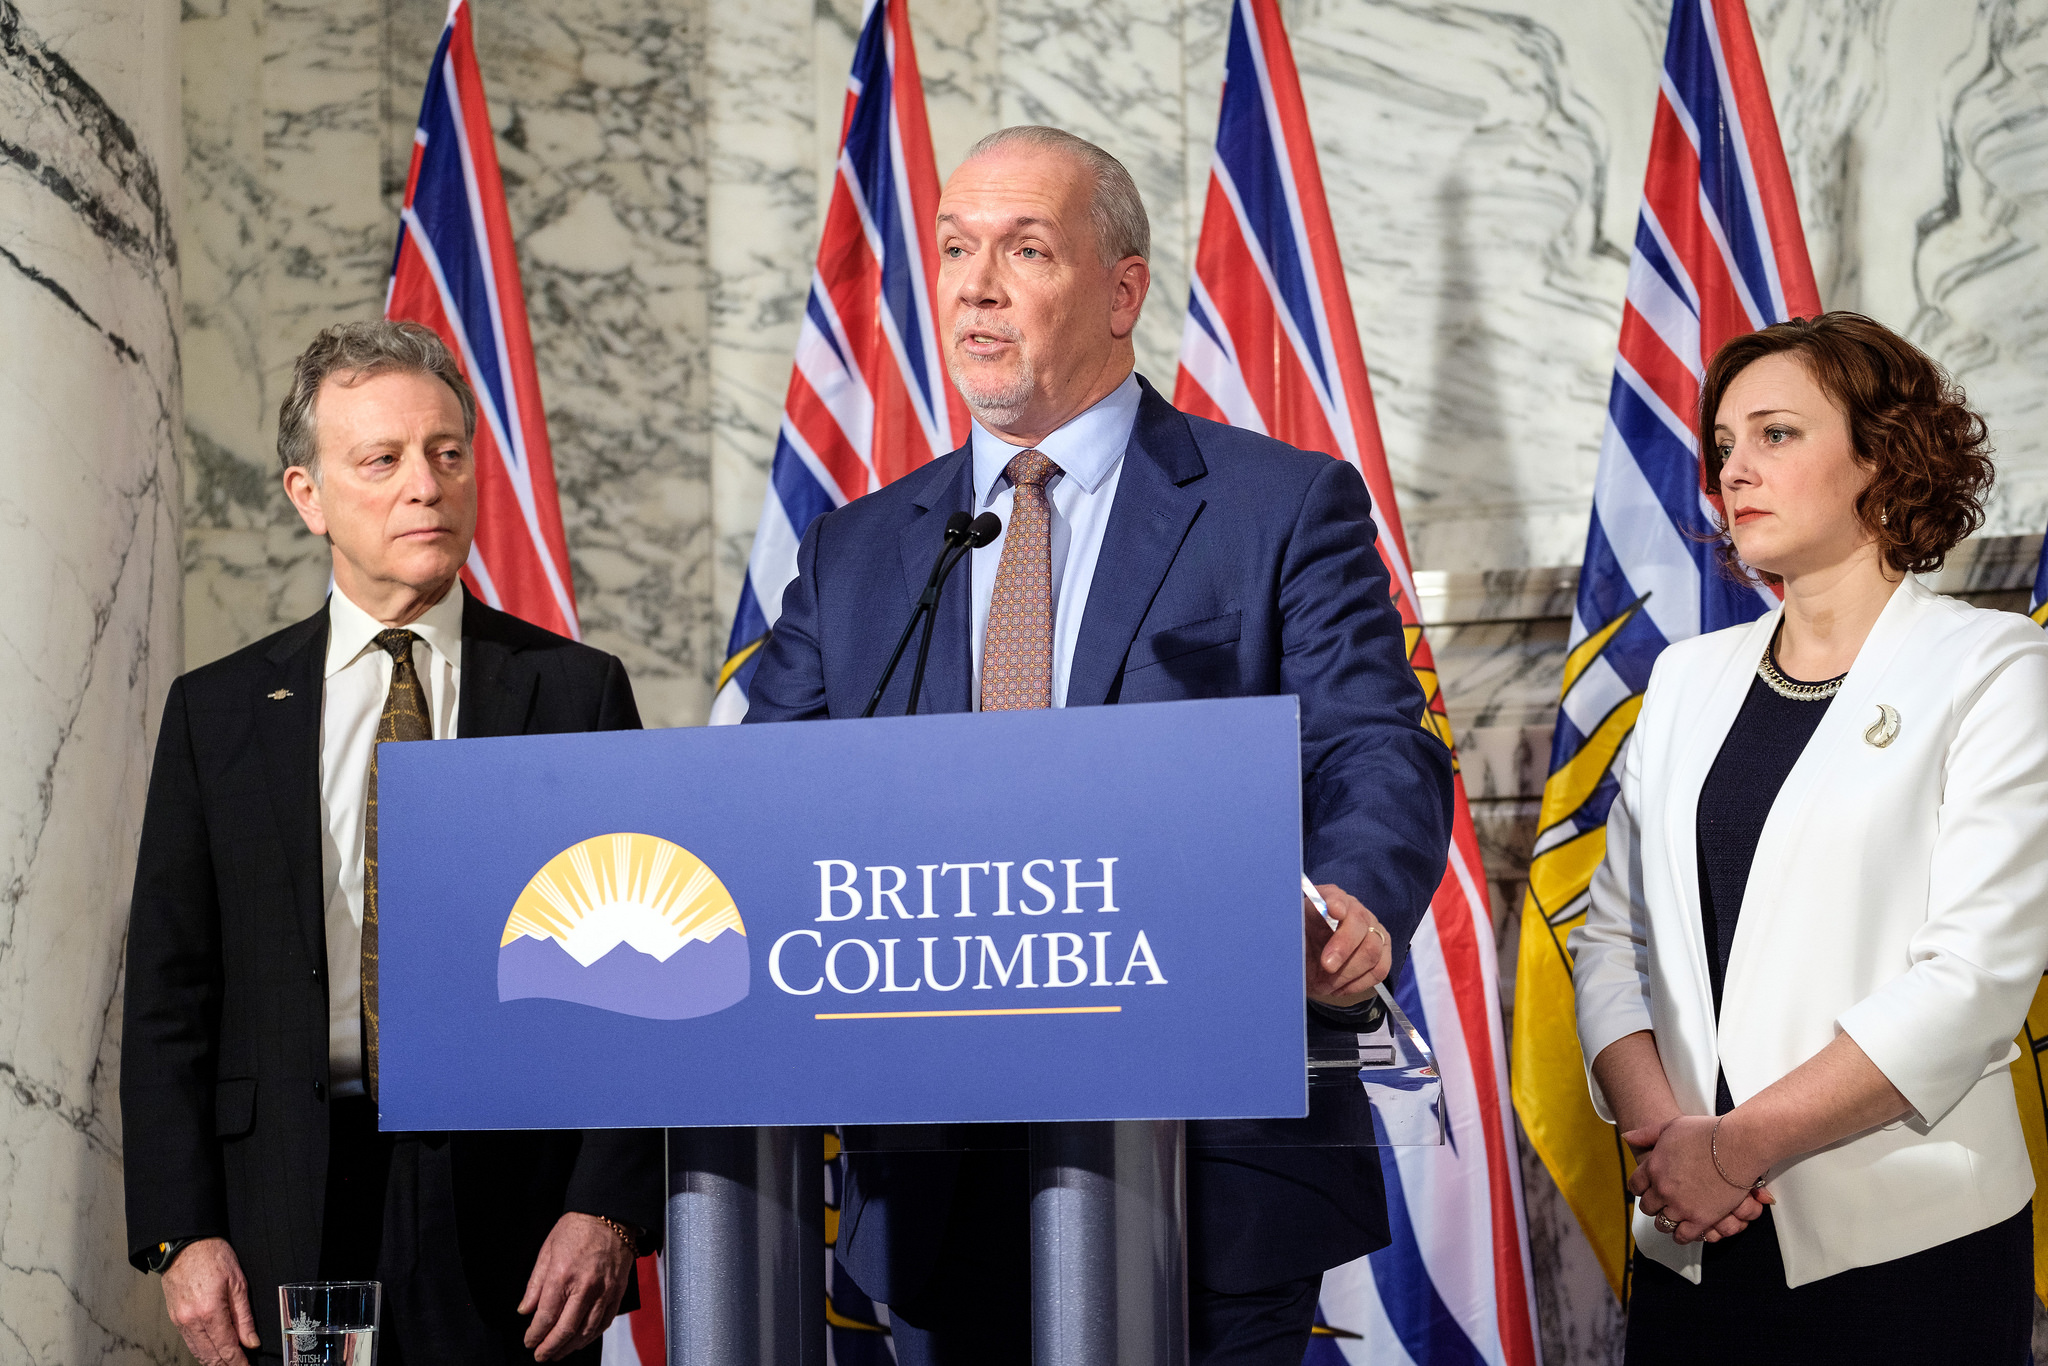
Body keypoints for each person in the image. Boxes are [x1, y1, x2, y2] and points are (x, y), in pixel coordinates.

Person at [744, 126, 1454, 1365]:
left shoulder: (1275, 505)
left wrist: (1349, 893)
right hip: (933, 1173)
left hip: (1210, 1159)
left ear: (1122, 289)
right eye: (955, 248)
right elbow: (768, 802)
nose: (973, 282)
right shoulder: (858, 550)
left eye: (1024, 248)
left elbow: (1372, 744)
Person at [122, 321, 662, 1365]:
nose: (426, 485)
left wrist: (606, 1207)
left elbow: (638, 980)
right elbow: (168, 996)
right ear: (306, 495)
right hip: (285, 1196)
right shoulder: (218, 711)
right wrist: (180, 1229)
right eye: (382, 459)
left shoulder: (574, 692)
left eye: (448, 453)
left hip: (516, 1219)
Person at [1571, 312, 2048, 1363]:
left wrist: (1734, 1147)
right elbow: (1611, 944)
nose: (1732, 469)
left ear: (1881, 454)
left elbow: (1972, 979)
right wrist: (1670, 1144)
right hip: (1691, 1234)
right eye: (1723, 445)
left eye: (1774, 434)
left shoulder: (1991, 668)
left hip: (1907, 1243)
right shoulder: (1685, 679)